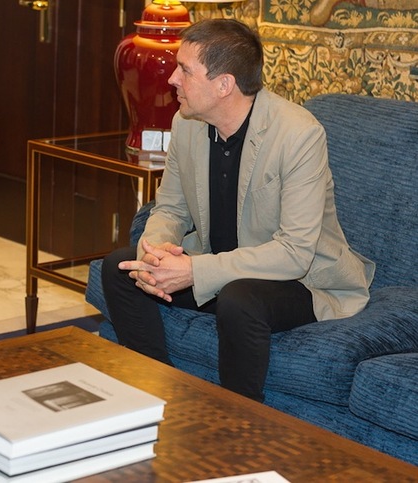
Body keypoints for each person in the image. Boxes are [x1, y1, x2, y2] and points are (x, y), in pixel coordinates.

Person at [101, 18, 374, 402]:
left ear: (224, 84)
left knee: (239, 299)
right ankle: (156, 398)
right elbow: (171, 208)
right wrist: (156, 251)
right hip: (220, 265)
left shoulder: (298, 134)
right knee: (121, 268)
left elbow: (295, 253)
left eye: (185, 70)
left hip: (300, 279)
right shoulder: (187, 123)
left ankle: (236, 425)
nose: (172, 80)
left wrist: (194, 270)